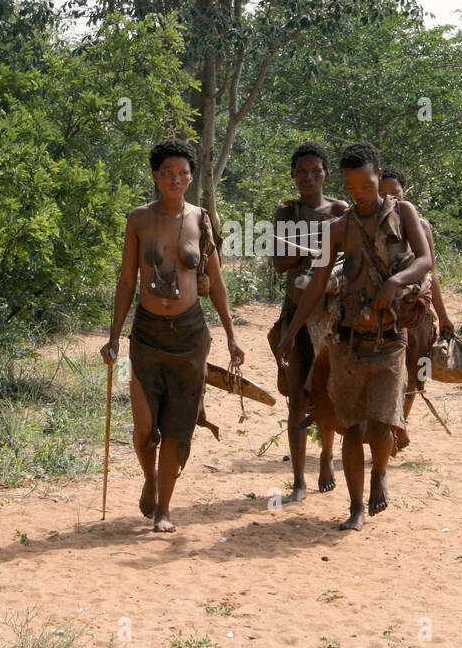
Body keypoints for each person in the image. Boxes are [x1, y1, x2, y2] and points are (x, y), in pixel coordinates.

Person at [276, 142, 432, 531]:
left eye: (367, 184)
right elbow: (317, 285)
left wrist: (395, 281)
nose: (360, 193)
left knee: (380, 425)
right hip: (346, 339)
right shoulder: (339, 228)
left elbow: (427, 260)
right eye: (353, 187)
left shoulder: (405, 214)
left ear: (379, 176)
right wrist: (291, 332)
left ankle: (379, 472)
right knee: (351, 427)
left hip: (390, 338)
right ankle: (355, 508)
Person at [101, 138, 244, 533]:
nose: (175, 179)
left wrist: (232, 335)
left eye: (182, 173)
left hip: (190, 336)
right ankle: (149, 479)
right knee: (146, 427)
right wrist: (113, 337)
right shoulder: (139, 219)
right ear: (155, 176)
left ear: (192, 176)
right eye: (167, 172)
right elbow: (128, 280)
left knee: (179, 428)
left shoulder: (200, 220)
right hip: (146, 334)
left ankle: (164, 508)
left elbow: (215, 282)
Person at [267, 142, 348, 500]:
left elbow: (350, 259)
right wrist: (319, 248)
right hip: (295, 312)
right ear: (293, 174)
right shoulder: (287, 212)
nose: (308, 177)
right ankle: (299, 479)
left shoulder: (341, 209)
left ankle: (328, 456)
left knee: (328, 393)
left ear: (326, 173)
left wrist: (305, 249)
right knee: (297, 397)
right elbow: (279, 262)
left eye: (315, 170)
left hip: (331, 314)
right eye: (301, 171)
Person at [379, 166, 455, 447]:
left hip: (417, 313)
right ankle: (385, 430)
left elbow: (430, 273)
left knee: (415, 374)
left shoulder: (421, 226)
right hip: (383, 311)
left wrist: (444, 317)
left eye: (395, 194)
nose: (390, 201)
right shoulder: (367, 225)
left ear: (405, 193)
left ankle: (399, 428)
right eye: (382, 194)